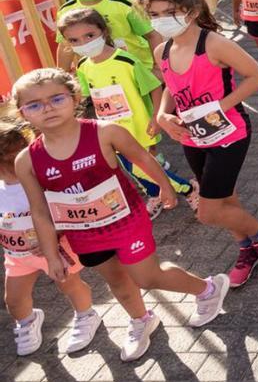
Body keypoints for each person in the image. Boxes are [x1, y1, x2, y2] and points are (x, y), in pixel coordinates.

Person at [13, 69, 231, 360]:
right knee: (117, 282)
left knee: (147, 277)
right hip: (84, 235)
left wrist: (165, 187)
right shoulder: (26, 160)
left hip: (126, 222)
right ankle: (142, 320)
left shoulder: (106, 131)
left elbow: (142, 157)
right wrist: (51, 256)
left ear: (75, 98)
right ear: (22, 112)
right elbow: (39, 211)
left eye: (56, 99)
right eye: (35, 104)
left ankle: (208, 288)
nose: (48, 108)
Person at [146, 0, 258, 289]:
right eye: (154, 14)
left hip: (228, 133)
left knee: (208, 212)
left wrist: (219, 107)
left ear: (192, 11)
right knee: (225, 198)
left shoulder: (214, 43)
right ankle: (246, 248)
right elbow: (170, 87)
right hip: (192, 137)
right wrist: (163, 114)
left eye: (169, 12)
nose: (161, 20)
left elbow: (257, 76)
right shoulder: (161, 50)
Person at [59, 9, 198, 214]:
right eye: (74, 40)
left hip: (138, 127)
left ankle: (187, 189)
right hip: (110, 130)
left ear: (104, 31)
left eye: (89, 35)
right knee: (133, 168)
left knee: (140, 167)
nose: (84, 43)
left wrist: (155, 117)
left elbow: (154, 86)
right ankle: (156, 193)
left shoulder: (126, 61)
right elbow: (87, 96)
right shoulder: (82, 66)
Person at [1, 123, 99, 357]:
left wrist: (54, 234)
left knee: (69, 284)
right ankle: (27, 322)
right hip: (18, 256)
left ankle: (86, 315)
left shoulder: (40, 180)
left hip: (53, 249)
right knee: (13, 299)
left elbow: (63, 208)